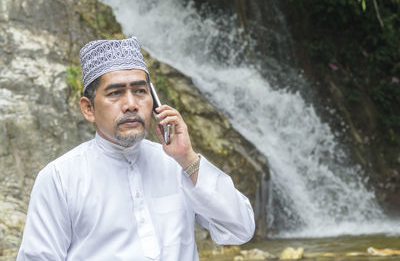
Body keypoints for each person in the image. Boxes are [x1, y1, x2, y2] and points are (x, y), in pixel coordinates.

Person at [17, 37, 255, 261]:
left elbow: (240, 230)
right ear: (88, 108)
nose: (131, 104)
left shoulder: (177, 164)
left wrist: (188, 158)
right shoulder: (60, 177)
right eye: (115, 93)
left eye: (140, 91)